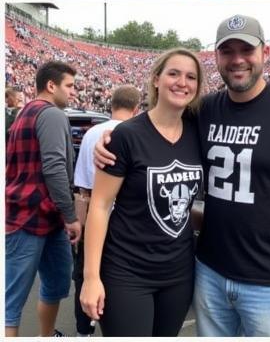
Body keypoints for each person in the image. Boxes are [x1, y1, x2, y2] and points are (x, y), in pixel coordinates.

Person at [94, 15, 270, 337]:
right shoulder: (203, 110)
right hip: (208, 269)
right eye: (227, 51)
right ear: (217, 58)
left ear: (264, 52)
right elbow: (158, 130)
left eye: (246, 50)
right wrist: (109, 136)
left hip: (269, 277)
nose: (237, 60)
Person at [80, 52, 203, 336]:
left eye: (191, 76)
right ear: (156, 79)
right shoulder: (126, 135)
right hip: (126, 271)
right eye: (174, 73)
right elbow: (99, 205)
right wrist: (90, 277)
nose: (182, 82)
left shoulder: (199, 132)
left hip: (178, 273)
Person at [5, 61, 80, 338]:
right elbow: (54, 168)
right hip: (29, 216)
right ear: (51, 86)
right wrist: (71, 216)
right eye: (69, 86)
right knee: (11, 305)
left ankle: (46, 336)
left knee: (56, 283)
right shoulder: (52, 114)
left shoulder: (23, 112)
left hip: (44, 217)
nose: (73, 92)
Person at [71, 85, 141, 340]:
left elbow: (83, 188)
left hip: (93, 218)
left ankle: (84, 329)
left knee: (87, 275)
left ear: (111, 105)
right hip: (125, 223)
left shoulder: (92, 133)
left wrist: (80, 222)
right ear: (136, 109)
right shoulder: (136, 133)